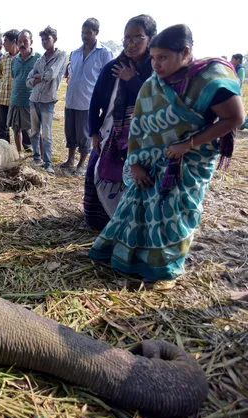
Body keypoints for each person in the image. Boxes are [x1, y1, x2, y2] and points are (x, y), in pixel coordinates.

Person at [89, 24, 245, 284]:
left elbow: (235, 118)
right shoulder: (154, 84)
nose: (156, 64)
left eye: (162, 58)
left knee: (172, 216)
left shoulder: (210, 80)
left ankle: (162, 267)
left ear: (185, 52)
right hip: (149, 164)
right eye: (152, 58)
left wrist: (188, 144)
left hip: (187, 164)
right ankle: (129, 260)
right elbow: (139, 125)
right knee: (136, 212)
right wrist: (136, 163)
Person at [83, 15, 156, 229]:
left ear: (150, 39)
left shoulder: (156, 69)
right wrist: (94, 133)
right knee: (98, 173)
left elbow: (155, 101)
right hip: (108, 133)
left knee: (131, 181)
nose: (130, 44)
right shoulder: (112, 68)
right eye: (126, 38)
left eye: (137, 38)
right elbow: (95, 101)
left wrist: (132, 81)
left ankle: (126, 223)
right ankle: (100, 221)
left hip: (142, 139)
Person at [61, 18, 113, 174]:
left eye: (89, 33)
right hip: (71, 99)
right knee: (70, 132)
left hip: (88, 101)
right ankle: (70, 160)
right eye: (83, 32)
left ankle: (82, 164)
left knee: (84, 134)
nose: (85, 36)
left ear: (96, 33)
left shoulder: (104, 53)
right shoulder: (75, 53)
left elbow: (108, 78)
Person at [27, 26, 66, 174]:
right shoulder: (40, 59)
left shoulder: (61, 55)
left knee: (47, 133)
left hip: (48, 100)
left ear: (54, 39)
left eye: (47, 39)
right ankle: (37, 158)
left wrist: (39, 77)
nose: (44, 42)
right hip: (34, 98)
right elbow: (28, 80)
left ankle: (48, 163)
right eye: (42, 39)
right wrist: (36, 79)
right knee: (34, 131)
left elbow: (52, 74)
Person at [8, 29, 39, 155]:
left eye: (25, 41)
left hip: (31, 101)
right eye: (19, 41)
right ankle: (19, 153)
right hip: (15, 99)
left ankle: (38, 156)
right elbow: (14, 76)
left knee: (35, 130)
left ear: (31, 42)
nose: (22, 44)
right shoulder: (14, 60)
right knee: (16, 129)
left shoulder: (38, 58)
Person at [0, 29, 19, 143]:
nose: (3, 44)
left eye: (6, 41)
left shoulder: (21, 58)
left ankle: (26, 149)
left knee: (19, 126)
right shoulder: (2, 59)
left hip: (16, 99)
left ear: (14, 41)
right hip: (2, 98)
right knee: (2, 127)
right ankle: (3, 148)